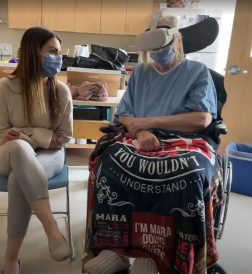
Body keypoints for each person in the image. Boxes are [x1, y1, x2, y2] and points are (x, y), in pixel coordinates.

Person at [84, 13, 218, 274]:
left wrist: (149, 122)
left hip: (185, 140)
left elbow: (201, 118)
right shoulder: (141, 73)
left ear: (178, 39)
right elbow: (124, 113)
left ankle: (158, 253)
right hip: (138, 136)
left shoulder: (197, 72)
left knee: (188, 175)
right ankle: (116, 250)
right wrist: (142, 132)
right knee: (108, 166)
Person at [0, 27, 73, 274]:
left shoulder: (60, 90)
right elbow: (2, 134)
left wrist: (28, 134)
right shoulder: (5, 86)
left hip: (50, 156)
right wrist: (36, 137)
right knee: (18, 148)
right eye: (52, 51)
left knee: (20, 178)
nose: (57, 58)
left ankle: (10, 259)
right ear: (31, 52)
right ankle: (52, 229)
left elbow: (64, 137)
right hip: (11, 151)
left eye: (58, 52)